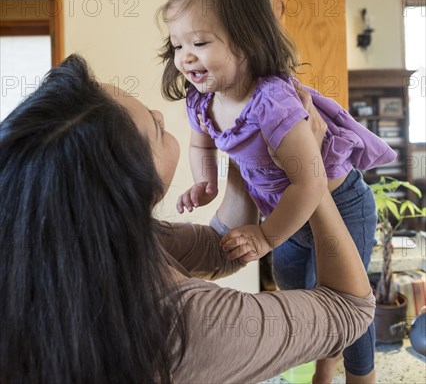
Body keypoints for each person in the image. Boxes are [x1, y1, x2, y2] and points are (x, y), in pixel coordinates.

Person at [0, 54, 376, 383]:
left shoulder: (74, 237)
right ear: (127, 189)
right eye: (155, 124)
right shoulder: (191, 327)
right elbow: (351, 308)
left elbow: (219, 249)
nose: (163, 113)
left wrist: (246, 146)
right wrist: (312, 173)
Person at [159, 0, 395, 383]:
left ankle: (360, 376)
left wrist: (267, 237)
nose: (185, 57)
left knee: (347, 301)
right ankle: (324, 361)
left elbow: (310, 182)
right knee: (298, 290)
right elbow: (202, 145)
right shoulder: (202, 99)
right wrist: (206, 182)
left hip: (337, 203)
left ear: (247, 40)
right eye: (177, 45)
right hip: (284, 213)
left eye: (199, 42)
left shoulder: (273, 103)